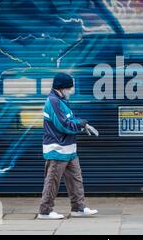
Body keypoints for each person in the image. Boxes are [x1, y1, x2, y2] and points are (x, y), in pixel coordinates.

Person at [37, 72, 98, 219]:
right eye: (69, 88)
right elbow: (63, 125)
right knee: (52, 181)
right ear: (61, 87)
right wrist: (80, 125)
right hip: (57, 149)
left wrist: (83, 124)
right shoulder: (53, 101)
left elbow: (70, 119)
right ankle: (45, 211)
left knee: (76, 179)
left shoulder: (61, 101)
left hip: (69, 149)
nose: (71, 91)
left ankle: (78, 208)